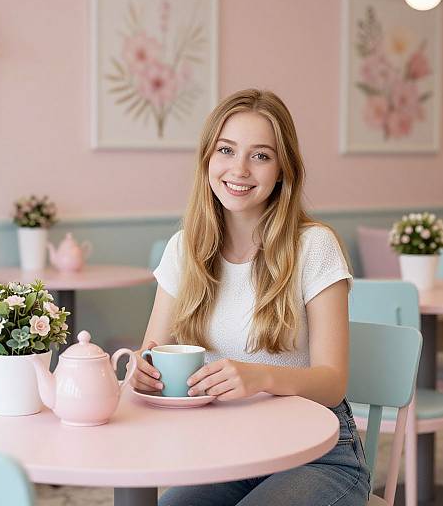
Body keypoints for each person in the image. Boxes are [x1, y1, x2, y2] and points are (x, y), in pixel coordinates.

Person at [129, 88, 370, 505]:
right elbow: (151, 352)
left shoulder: (314, 246)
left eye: (260, 155)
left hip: (319, 453)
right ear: (207, 159)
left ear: (282, 170)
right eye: (226, 150)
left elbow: (333, 383)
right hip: (230, 452)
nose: (239, 169)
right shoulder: (183, 249)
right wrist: (143, 374)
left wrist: (260, 376)